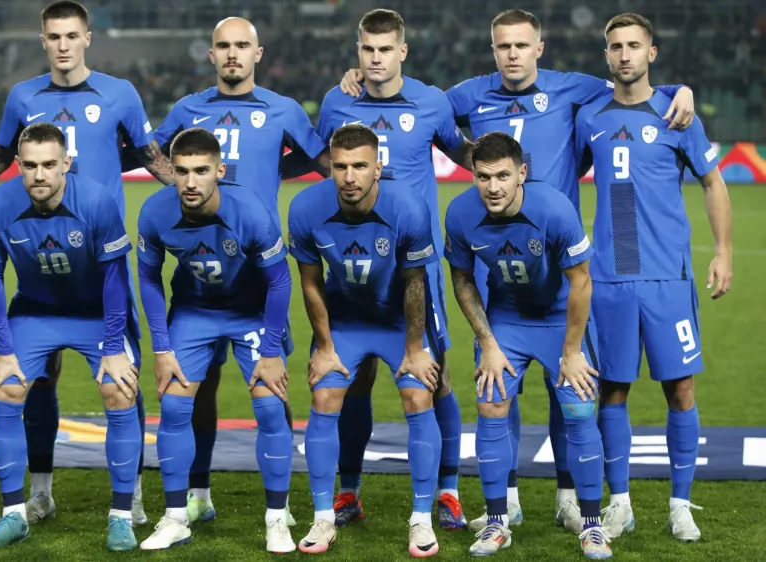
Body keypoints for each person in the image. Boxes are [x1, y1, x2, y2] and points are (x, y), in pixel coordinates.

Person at [338, 8, 699, 533]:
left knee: (566, 384)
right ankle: (503, 497)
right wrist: (357, 81)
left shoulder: (572, 88)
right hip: (492, 261)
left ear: (539, 47)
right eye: (502, 45)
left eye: (521, 45)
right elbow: (414, 100)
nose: (512, 54)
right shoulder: (466, 96)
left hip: (557, 259)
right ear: (493, 50)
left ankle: (568, 494)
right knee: (496, 382)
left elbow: (631, 80)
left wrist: (677, 89)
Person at [0, 0, 171, 526]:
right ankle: (40, 492)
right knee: (41, 381)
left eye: (71, 35)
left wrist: (206, 193)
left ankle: (135, 492)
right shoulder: (22, 96)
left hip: (102, 260)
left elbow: (151, 157)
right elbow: (0, 158)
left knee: (122, 377)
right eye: (53, 36)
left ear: (87, 38)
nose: (62, 45)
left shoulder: (119, 93)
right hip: (40, 255)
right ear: (43, 40)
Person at [136, 16, 327, 526]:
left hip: (259, 275)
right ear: (212, 55)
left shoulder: (283, 109)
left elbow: (321, 160)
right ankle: (198, 490)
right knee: (198, 385)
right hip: (199, 274)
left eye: (242, 45)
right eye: (223, 46)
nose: (233, 54)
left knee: (272, 383)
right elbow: (149, 148)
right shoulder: (188, 108)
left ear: (258, 54)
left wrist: (271, 176)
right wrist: (176, 186)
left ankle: (280, 506)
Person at [575, 13, 732, 543]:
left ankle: (680, 505)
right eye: (615, 46)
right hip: (613, 276)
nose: (624, 54)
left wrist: (724, 251)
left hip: (668, 274)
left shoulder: (676, 113)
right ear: (607, 55)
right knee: (612, 390)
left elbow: (712, 182)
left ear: (651, 53)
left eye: (634, 45)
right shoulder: (589, 116)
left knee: (680, 387)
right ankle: (620, 504)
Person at [315, 8, 472, 531]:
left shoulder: (431, 101)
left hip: (414, 271)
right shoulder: (338, 100)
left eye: (385, 50)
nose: (376, 58)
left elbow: (463, 151)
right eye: (367, 50)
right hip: (353, 272)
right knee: (353, 379)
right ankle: (348, 492)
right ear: (357, 51)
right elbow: (327, 167)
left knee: (437, 377)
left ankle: (447, 492)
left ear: (402, 51)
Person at [0, 122, 143, 550]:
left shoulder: (97, 202)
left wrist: (113, 346)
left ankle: (122, 516)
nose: (40, 175)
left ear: (66, 163)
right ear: (18, 165)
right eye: (29, 165)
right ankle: (16, 513)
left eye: (50, 164)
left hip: (96, 312)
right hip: (36, 311)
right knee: (5, 388)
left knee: (119, 390)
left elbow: (115, 278)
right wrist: (4, 351)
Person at [444, 132, 610, 559]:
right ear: (473, 175)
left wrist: (571, 353)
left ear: (522, 173)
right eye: (483, 177)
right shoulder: (460, 214)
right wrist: (488, 343)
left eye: (502, 175)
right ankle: (498, 522)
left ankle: (592, 526)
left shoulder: (554, 208)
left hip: (560, 318)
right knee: (490, 404)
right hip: (507, 320)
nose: (493, 187)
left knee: (579, 409)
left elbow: (581, 282)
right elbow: (462, 280)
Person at [135, 128, 296, 553]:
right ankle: (175, 518)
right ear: (171, 171)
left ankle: (277, 519)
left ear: (219, 171)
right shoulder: (154, 212)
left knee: (268, 403)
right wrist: (162, 349)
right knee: (173, 404)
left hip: (251, 310)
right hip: (194, 310)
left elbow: (279, 280)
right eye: (182, 171)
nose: (190, 182)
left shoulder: (250, 212)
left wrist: (273, 351)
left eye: (201, 171)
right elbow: (149, 279)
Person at [290, 124, 442, 557]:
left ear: (379, 167)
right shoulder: (305, 208)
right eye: (340, 167)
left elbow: (416, 284)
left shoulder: (408, 208)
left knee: (418, 396)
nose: (350, 177)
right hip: (346, 322)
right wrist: (324, 345)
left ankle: (421, 520)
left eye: (360, 166)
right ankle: (324, 517)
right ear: (330, 167)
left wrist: (415, 349)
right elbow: (310, 282)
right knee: (325, 395)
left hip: (397, 320)